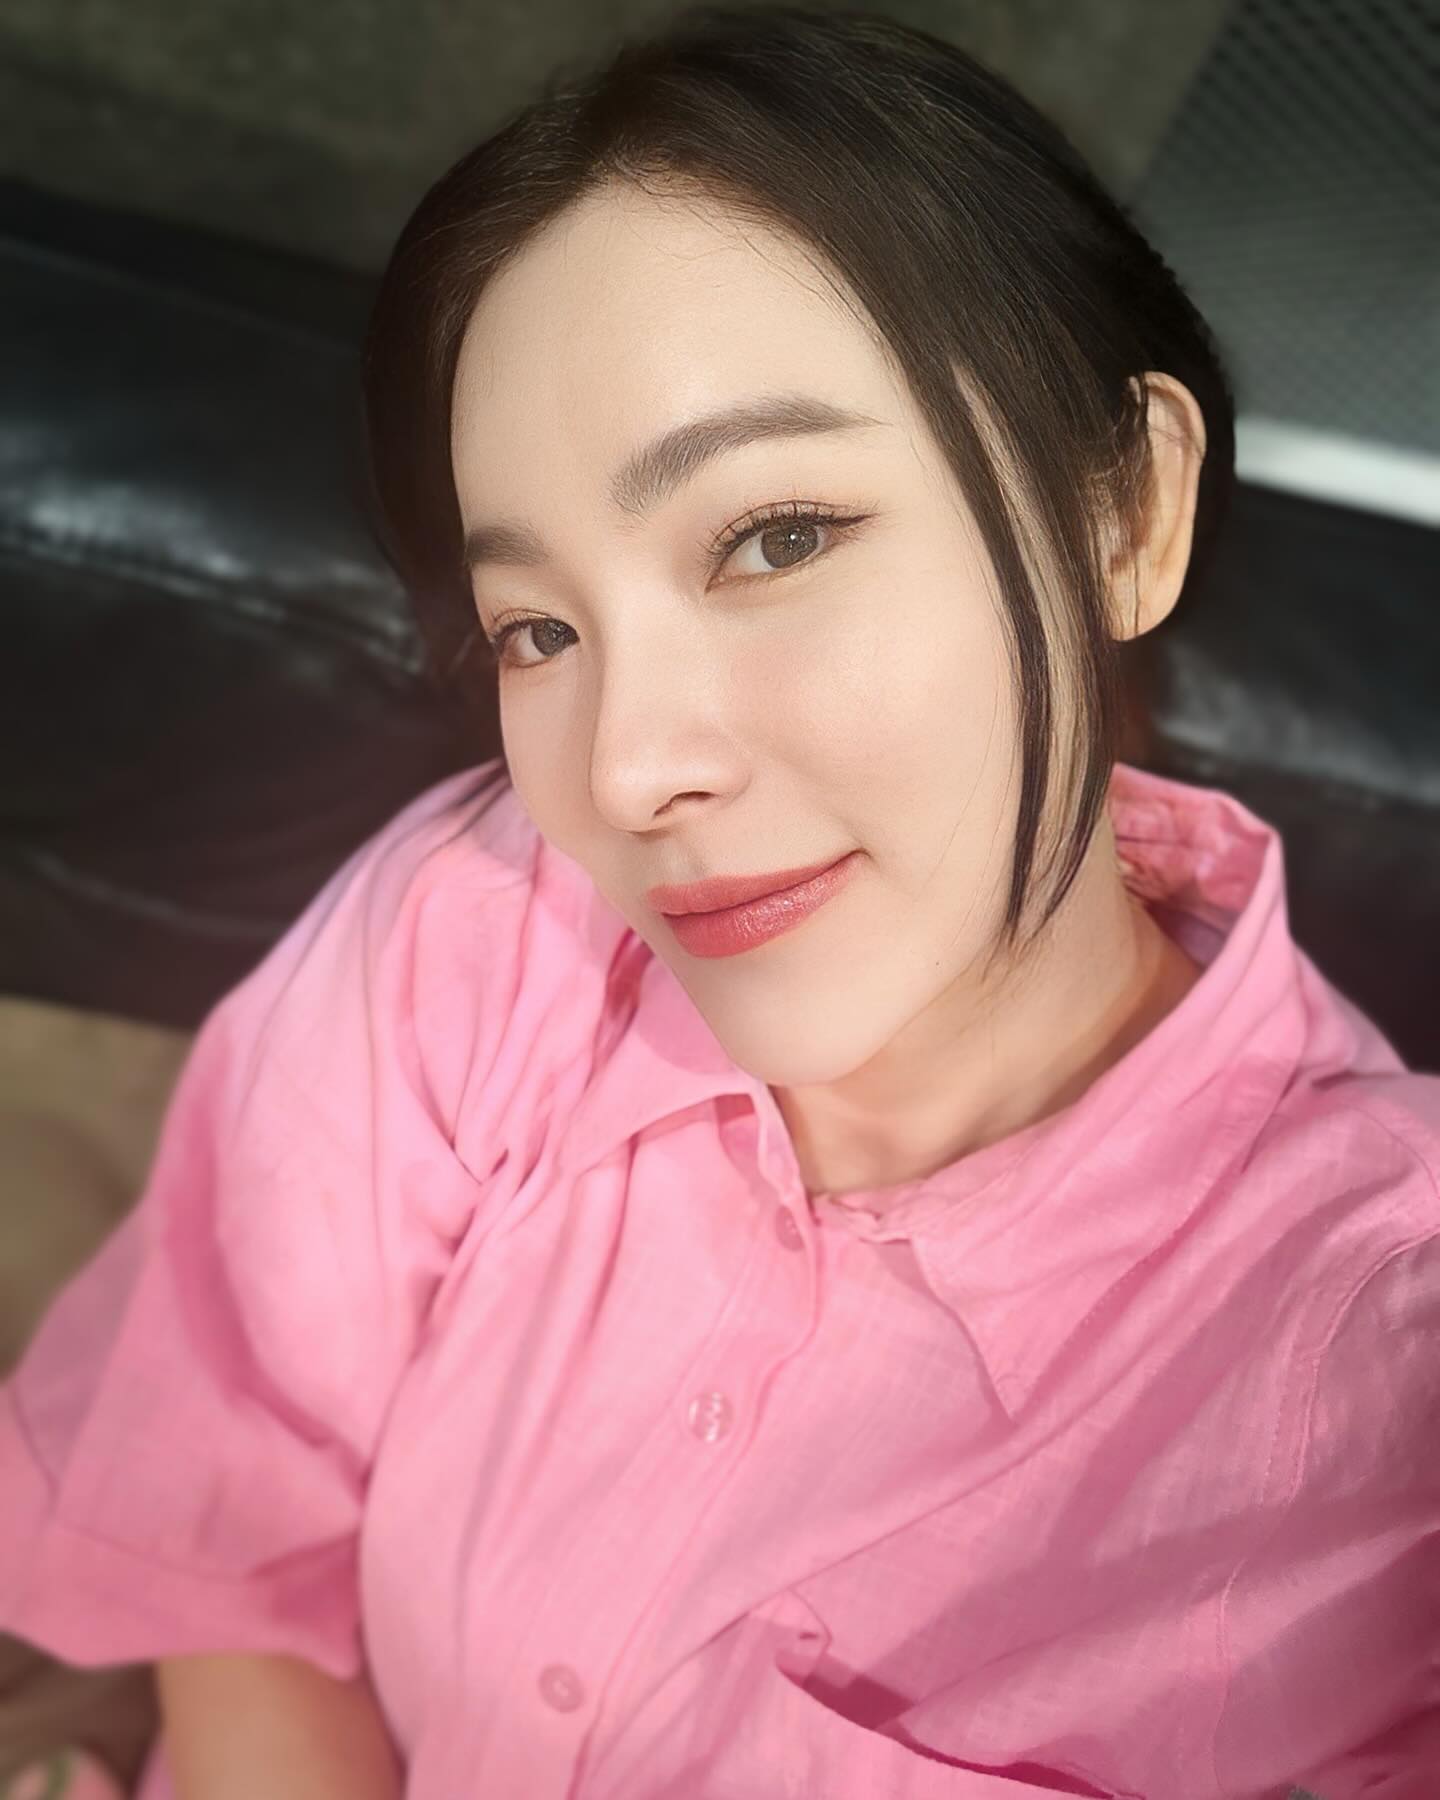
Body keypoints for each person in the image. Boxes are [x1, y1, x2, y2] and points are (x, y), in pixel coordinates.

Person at [2, 6, 1436, 1798]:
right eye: (540, 629)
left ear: (1123, 511)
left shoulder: (1387, 1399)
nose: (621, 772)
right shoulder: (480, 926)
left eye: (775, 538)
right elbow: (234, 1537)